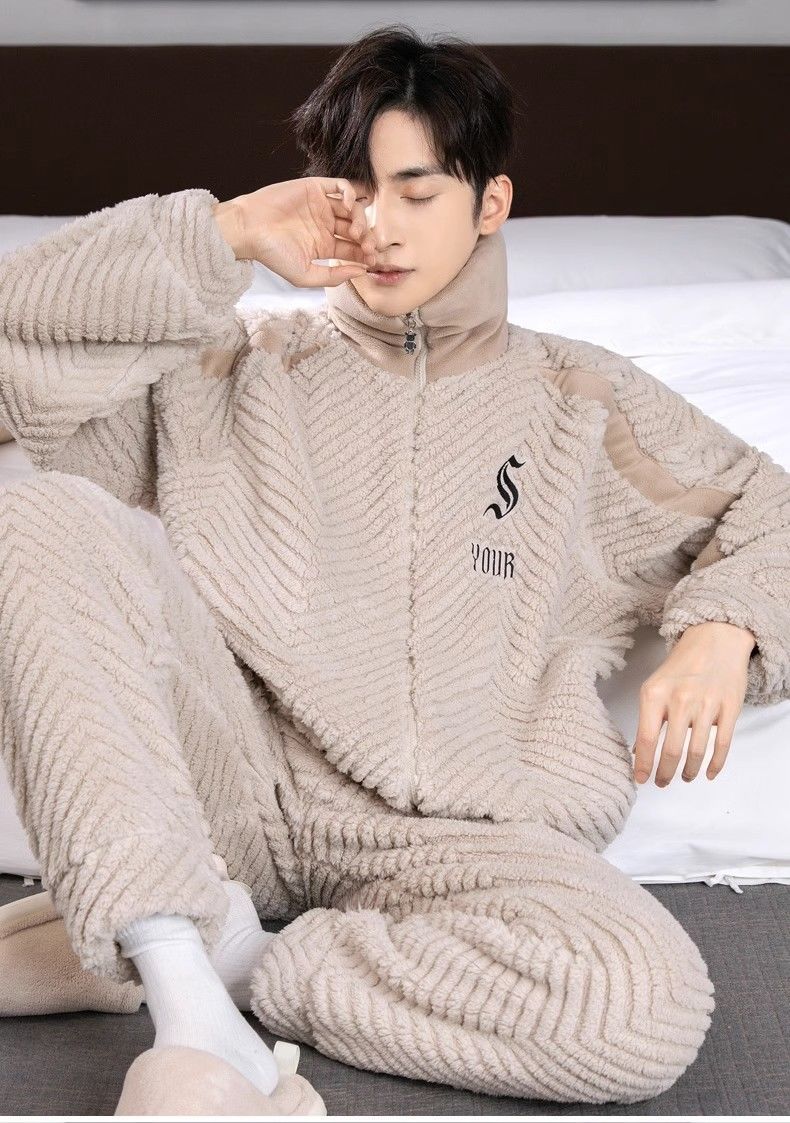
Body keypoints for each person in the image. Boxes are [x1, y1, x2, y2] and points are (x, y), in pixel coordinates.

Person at [1, 21, 789, 1116]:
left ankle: (230, 951)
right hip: (238, 794)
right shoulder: (224, 365)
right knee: (34, 514)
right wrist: (222, 235)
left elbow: (771, 504)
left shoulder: (584, 401)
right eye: (354, 192)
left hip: (473, 840)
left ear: (490, 203)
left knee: (638, 1005)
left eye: (416, 192)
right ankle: (180, 987)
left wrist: (727, 625)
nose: (378, 226)